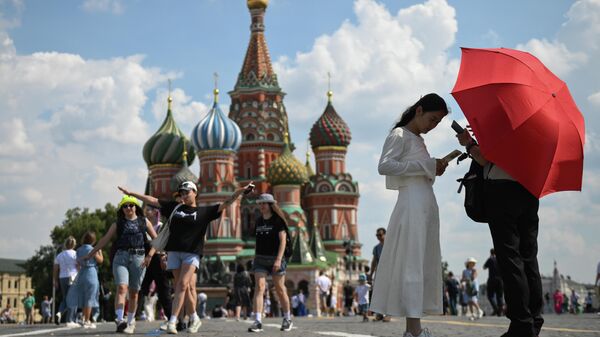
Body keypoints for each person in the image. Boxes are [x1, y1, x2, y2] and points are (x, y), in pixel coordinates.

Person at [118, 180, 251, 334]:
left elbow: (226, 203)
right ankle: (194, 317)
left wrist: (240, 191)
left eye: (187, 192)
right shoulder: (175, 207)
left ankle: (172, 321)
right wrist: (131, 194)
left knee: (182, 285)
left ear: (195, 193)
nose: (184, 195)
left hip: (191, 254)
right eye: (182, 192)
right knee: (183, 288)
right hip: (174, 252)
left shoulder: (204, 212)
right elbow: (153, 200)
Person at [370, 93, 449, 337]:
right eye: (432, 119)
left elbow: (415, 170)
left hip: (424, 203)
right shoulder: (400, 135)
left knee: (421, 262)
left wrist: (435, 167)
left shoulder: (417, 139)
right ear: (419, 110)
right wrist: (425, 166)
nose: (433, 126)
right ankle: (414, 331)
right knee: (412, 263)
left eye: (437, 122)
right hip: (412, 203)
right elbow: (385, 165)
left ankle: (411, 329)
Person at [457, 128, 544, 337]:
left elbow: (486, 159)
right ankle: (534, 320)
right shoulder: (536, 127)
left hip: (502, 190)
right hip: (530, 189)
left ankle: (521, 324)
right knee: (529, 258)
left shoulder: (502, 120)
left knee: (510, 259)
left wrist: (469, 144)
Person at [83, 195, 157, 334]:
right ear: (122, 209)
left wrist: (150, 255)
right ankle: (119, 320)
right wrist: (90, 254)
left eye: (131, 205)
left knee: (134, 292)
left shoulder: (144, 221)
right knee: (122, 287)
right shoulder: (117, 223)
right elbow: (104, 240)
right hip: (121, 257)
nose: (128, 208)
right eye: (125, 206)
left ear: (136, 207)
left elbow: (157, 240)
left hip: (139, 258)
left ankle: (130, 321)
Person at [248, 193, 293, 333]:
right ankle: (257, 321)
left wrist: (279, 259)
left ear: (270, 205)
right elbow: (258, 242)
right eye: (260, 203)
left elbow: (283, 241)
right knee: (259, 287)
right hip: (260, 259)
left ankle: (287, 318)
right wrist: (255, 258)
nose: (261, 206)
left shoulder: (278, 221)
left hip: (275, 259)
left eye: (264, 203)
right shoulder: (259, 221)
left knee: (280, 289)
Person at [137, 205, 172, 326]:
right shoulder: (144, 224)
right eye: (146, 210)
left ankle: (171, 317)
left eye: (150, 210)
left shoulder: (160, 226)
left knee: (163, 289)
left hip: (157, 258)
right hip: (146, 259)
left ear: (156, 212)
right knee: (141, 288)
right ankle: (132, 316)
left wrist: (163, 257)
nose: (147, 211)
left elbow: (161, 243)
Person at [67, 231, 103, 329]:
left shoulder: (78, 250)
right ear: (93, 240)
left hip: (82, 273)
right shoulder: (94, 249)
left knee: (83, 297)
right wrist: (99, 251)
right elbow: (100, 260)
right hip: (91, 272)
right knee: (90, 298)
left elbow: (77, 262)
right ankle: (87, 320)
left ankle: (83, 318)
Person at [53, 236, 78, 326]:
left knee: (65, 298)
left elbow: (55, 269)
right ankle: (71, 319)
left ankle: (59, 313)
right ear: (74, 245)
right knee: (73, 297)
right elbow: (78, 266)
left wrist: (55, 280)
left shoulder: (60, 255)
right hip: (73, 276)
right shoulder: (75, 254)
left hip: (62, 277)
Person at [370, 227, 390, 322]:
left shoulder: (390, 245)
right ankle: (379, 313)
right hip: (380, 273)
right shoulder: (376, 248)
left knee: (388, 293)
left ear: (385, 234)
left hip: (390, 272)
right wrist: (371, 273)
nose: (379, 237)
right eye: (377, 235)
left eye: (380, 235)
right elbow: (374, 262)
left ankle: (388, 314)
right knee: (379, 293)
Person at [483, 248, 504, 316]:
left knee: (490, 296)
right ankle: (500, 311)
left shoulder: (491, 259)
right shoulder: (500, 259)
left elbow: (484, 267)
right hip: (500, 280)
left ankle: (496, 309)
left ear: (491, 253)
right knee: (500, 296)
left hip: (492, 279)